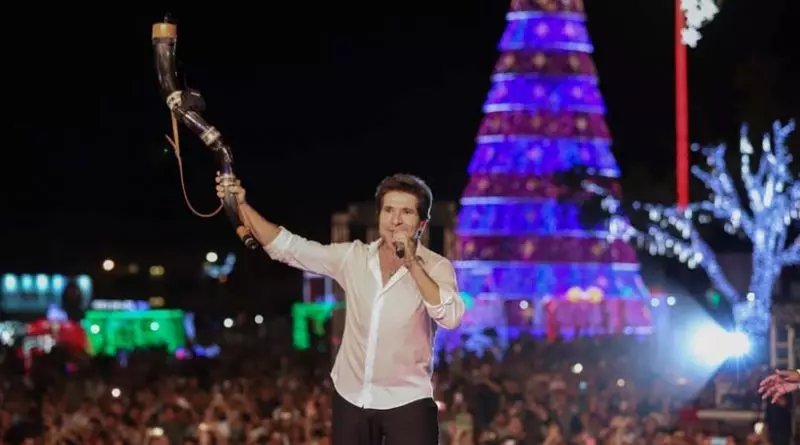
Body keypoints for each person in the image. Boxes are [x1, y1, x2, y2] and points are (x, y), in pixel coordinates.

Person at [216, 173, 466, 445]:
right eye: (388, 210)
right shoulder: (353, 257)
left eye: (406, 212)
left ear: (421, 223)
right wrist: (241, 206)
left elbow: (450, 316)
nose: (395, 220)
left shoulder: (436, 267)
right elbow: (287, 247)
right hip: (351, 396)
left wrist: (412, 264)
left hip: (408, 400)